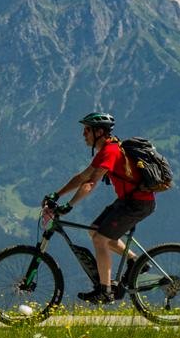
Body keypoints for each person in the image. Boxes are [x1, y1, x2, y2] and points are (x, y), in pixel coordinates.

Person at [45, 112, 154, 303]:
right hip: (128, 201)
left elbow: (90, 183)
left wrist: (68, 206)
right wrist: (57, 194)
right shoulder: (106, 150)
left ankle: (106, 291)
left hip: (138, 203)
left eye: (87, 130)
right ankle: (135, 261)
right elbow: (82, 177)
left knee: (100, 240)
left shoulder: (110, 151)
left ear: (99, 132)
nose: (83, 134)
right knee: (95, 231)